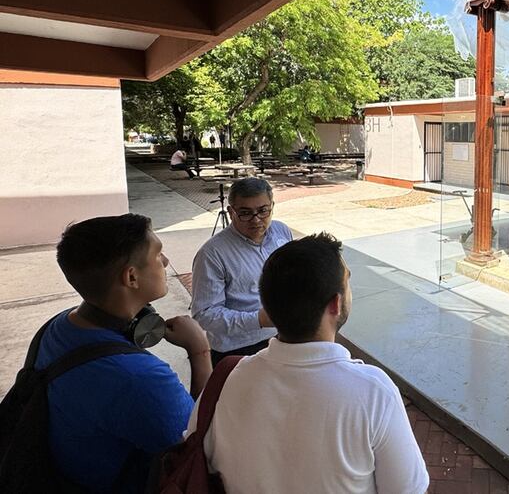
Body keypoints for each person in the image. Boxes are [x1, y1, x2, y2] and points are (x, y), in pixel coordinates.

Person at [187, 233, 429, 494]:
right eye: (347, 282)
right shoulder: (373, 392)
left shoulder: (226, 381)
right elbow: (408, 489)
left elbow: (195, 450)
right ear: (335, 304)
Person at [35, 214, 213, 493]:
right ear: (131, 277)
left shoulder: (57, 327)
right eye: (157, 255)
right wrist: (199, 349)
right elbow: (198, 447)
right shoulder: (139, 379)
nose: (165, 262)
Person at [191, 177, 293, 364]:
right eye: (245, 213)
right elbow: (204, 315)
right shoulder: (212, 254)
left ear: (272, 206)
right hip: (238, 349)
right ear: (231, 212)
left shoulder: (282, 231)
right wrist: (258, 319)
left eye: (263, 211)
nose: (256, 221)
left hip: (283, 338)